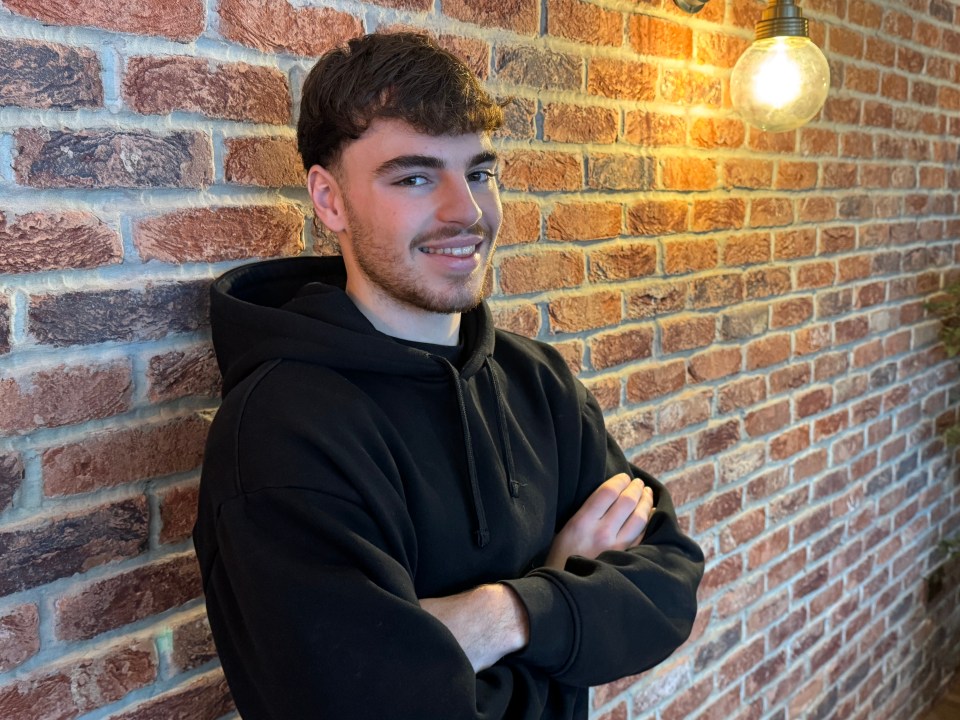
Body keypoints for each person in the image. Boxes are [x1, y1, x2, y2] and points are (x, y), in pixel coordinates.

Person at [193, 31, 704, 720]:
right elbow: (365, 705)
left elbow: (667, 585)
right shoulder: (280, 430)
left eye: (480, 172)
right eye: (414, 175)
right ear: (330, 199)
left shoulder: (538, 381)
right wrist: (564, 588)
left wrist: (504, 614)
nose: (467, 210)